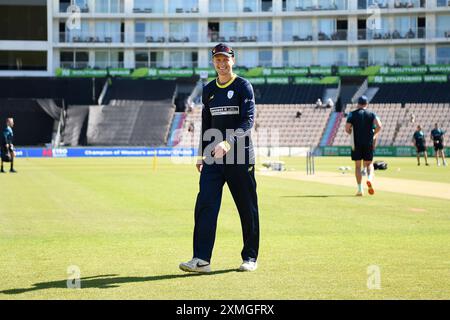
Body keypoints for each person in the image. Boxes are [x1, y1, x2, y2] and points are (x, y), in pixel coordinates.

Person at [179, 43, 259, 273]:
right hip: (213, 157)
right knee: (205, 204)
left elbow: (247, 122)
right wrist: (200, 154)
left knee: (247, 207)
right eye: (218, 60)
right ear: (213, 62)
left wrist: (228, 142)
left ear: (233, 60)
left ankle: (250, 257)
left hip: (240, 156)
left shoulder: (244, 86)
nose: (222, 64)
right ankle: (201, 259)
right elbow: (207, 124)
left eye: (226, 60)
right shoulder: (208, 89)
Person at [345, 96, 382, 196]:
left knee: (358, 166)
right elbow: (379, 126)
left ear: (358, 103)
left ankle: (360, 189)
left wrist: (352, 133)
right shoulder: (372, 114)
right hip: (368, 143)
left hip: (356, 143)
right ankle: (369, 179)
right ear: (366, 104)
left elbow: (347, 128)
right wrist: (374, 134)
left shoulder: (352, 114)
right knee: (369, 164)